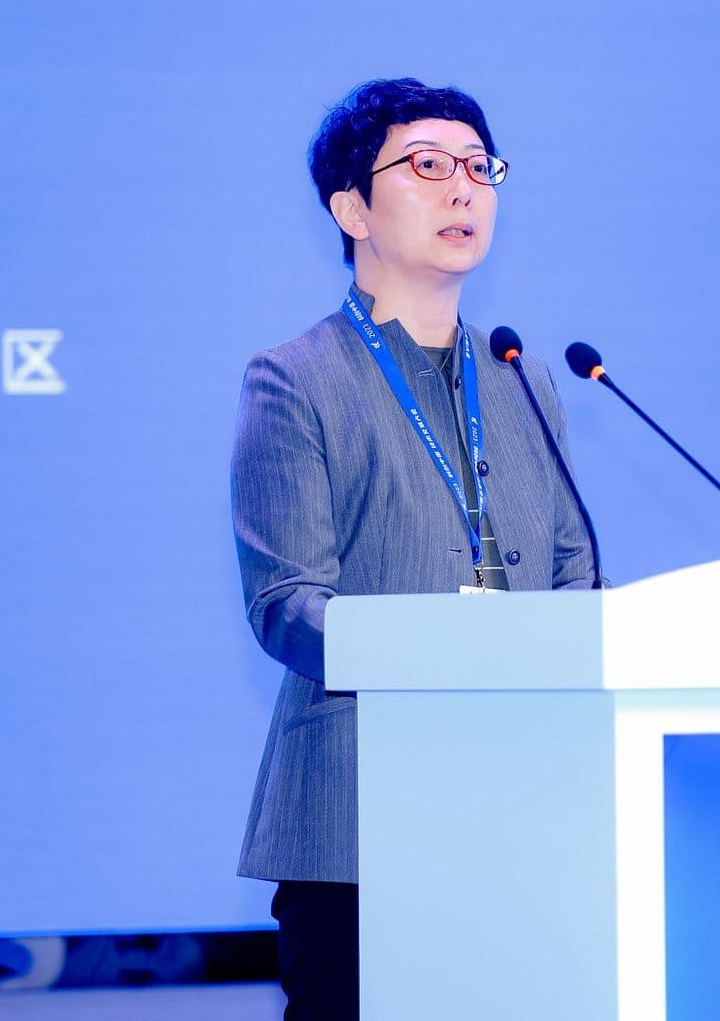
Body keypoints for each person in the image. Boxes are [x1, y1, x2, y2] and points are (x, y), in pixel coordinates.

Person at [229, 77, 597, 1020]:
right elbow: (286, 602)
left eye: (479, 167)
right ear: (351, 208)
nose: (463, 187)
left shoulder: (522, 378)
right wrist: (443, 648)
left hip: (524, 813)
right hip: (358, 824)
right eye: (428, 165)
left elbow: (574, 573)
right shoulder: (293, 379)